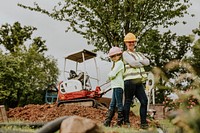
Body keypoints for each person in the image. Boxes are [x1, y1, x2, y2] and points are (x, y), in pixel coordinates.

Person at [122, 32, 150, 129]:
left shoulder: (139, 54)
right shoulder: (125, 54)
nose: (131, 43)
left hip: (138, 80)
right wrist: (141, 62)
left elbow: (148, 62)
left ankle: (143, 123)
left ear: (135, 43)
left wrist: (139, 62)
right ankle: (126, 122)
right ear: (126, 43)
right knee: (128, 101)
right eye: (129, 42)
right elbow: (133, 63)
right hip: (129, 80)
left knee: (144, 101)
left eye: (132, 42)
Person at [103, 46, 124, 127]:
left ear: (119, 55)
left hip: (118, 86)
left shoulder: (119, 63)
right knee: (112, 104)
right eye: (112, 56)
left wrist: (109, 76)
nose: (114, 58)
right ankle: (107, 122)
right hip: (115, 86)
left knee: (119, 104)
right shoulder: (116, 64)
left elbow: (112, 74)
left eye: (116, 55)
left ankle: (120, 122)